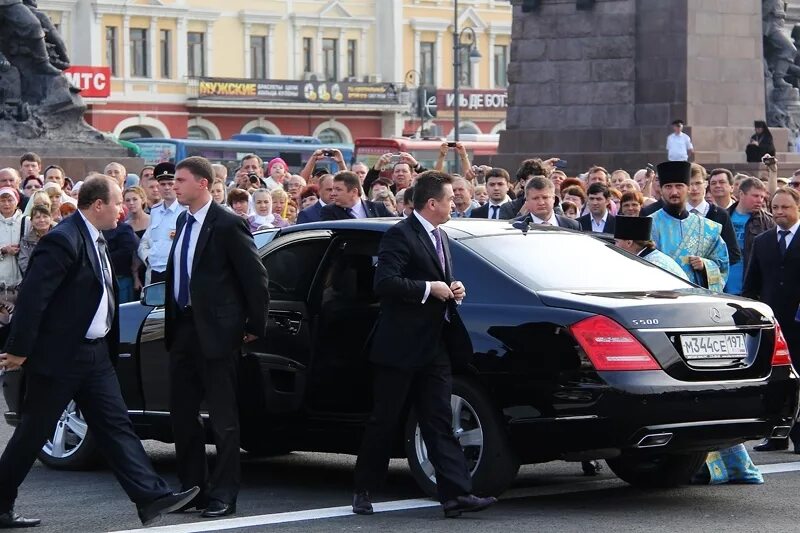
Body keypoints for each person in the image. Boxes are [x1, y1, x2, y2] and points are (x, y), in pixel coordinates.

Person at [0, 175, 198, 529]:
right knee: (32, 435)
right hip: (60, 358)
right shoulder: (63, 240)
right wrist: (18, 350)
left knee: (117, 426)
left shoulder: (98, 239)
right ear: (97, 206)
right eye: (118, 201)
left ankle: (151, 497)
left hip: (93, 357)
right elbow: (33, 298)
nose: (123, 208)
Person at [352, 171, 496, 518]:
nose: (455, 203)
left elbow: (439, 280)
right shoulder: (399, 236)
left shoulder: (442, 236)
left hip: (435, 346)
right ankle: (364, 489)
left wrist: (452, 288)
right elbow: (385, 283)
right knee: (384, 420)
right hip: (399, 347)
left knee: (438, 420)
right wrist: (430, 288)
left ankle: (456, 496)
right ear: (431, 203)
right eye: (449, 199)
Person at [165, 156, 269, 518]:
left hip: (218, 334)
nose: (174, 186)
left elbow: (255, 279)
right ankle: (192, 488)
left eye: (180, 180)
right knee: (182, 415)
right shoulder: (182, 220)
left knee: (223, 418)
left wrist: (254, 325)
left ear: (203, 184)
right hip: (183, 329)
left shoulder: (228, 224)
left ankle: (224, 493)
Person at [745, 187, 800, 452]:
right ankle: (776, 435)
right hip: (773, 325)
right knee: (776, 382)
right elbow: (751, 284)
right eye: (775, 207)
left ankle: (799, 436)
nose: (779, 212)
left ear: (797, 208)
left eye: (785, 208)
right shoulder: (763, 241)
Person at [649, 161, 729, 292]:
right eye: (668, 186)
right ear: (661, 190)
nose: (674, 192)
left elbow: (722, 264)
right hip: (661, 297)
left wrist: (705, 265)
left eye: (679, 186)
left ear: (689, 188)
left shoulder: (707, 228)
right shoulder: (649, 224)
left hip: (696, 300)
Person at [724, 177, 775, 295]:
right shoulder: (723, 217)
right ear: (741, 194)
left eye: (762, 197)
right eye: (755, 196)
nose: (760, 200)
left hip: (752, 289)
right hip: (723, 286)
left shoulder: (767, 221)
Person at [138, 163, 186, 284]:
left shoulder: (186, 211)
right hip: (154, 271)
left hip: (176, 272)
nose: (166, 188)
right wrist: (148, 258)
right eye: (162, 184)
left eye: (170, 183)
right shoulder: (155, 210)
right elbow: (146, 240)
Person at [687, 164, 741, 268]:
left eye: (698, 183)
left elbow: (733, 254)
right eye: (689, 184)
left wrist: (706, 264)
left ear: (706, 184)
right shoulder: (676, 214)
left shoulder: (720, 215)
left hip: (710, 281)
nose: (694, 188)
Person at [613, 216, 688, 279]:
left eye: (617, 242)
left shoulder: (652, 265)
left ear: (629, 242)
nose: (615, 246)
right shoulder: (649, 258)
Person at [511, 176, 580, 230]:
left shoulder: (573, 226)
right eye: (535, 198)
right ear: (527, 201)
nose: (541, 202)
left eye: (545, 197)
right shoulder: (515, 226)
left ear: (553, 198)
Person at [320, 171, 393, 220]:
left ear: (354, 192)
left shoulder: (378, 208)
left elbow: (396, 225)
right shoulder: (329, 211)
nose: (333, 194)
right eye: (333, 189)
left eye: (338, 189)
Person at [124, 187, 149, 295]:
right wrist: (135, 276)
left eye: (135, 199)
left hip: (151, 268)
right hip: (134, 274)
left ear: (142, 200)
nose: (131, 203)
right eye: (128, 200)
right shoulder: (125, 227)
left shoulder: (154, 220)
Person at [17, 204, 51, 275]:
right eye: (37, 217)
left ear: (51, 219)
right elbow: (24, 262)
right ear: (31, 221)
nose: (42, 220)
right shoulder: (26, 240)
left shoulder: (59, 236)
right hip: (35, 278)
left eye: (45, 216)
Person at [0, 187, 23, 288]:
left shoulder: (26, 221)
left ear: (17, 202)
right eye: (2, 201)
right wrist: (3, 250)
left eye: (10, 200)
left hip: (22, 283)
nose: (6, 204)